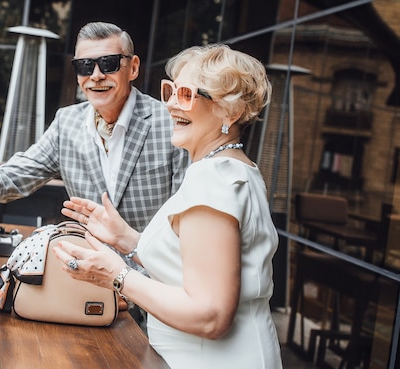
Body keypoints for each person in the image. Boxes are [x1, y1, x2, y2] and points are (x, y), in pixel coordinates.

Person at [54, 43, 283, 369]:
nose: (171, 104)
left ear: (228, 112)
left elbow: (210, 317)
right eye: (170, 91)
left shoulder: (213, 181)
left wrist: (115, 275)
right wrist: (126, 239)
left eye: (187, 95)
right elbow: (192, 265)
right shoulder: (231, 167)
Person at [0, 21, 189, 233]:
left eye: (109, 63)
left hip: (151, 279)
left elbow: (184, 216)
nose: (96, 75)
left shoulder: (171, 122)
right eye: (84, 66)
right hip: (87, 272)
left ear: (133, 67)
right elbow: (19, 172)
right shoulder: (66, 122)